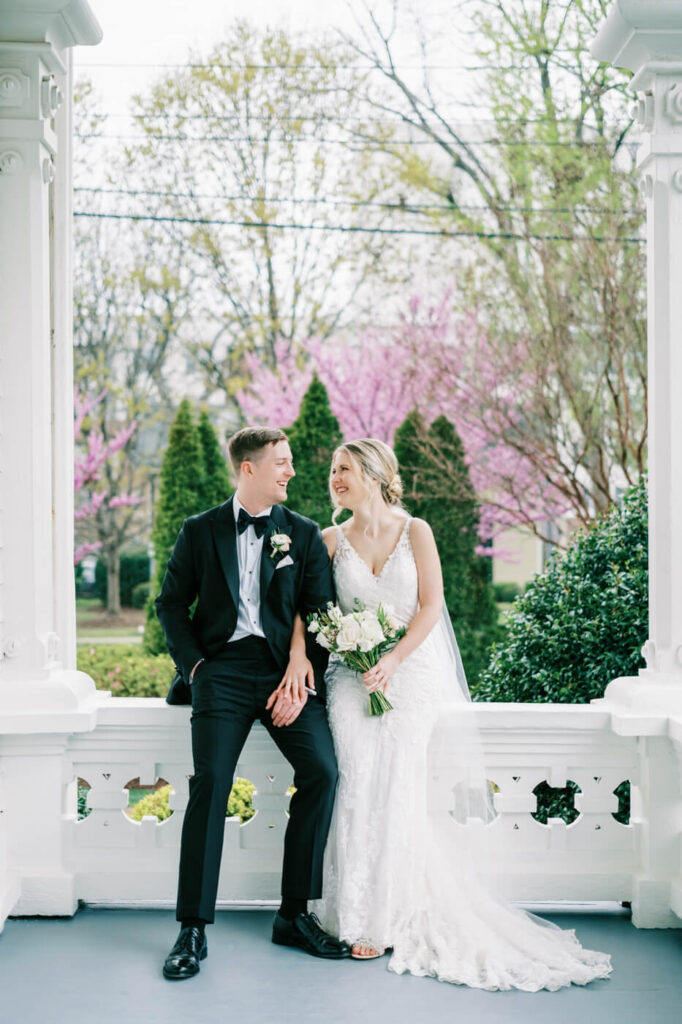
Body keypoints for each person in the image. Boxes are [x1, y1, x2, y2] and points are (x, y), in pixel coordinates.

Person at [311, 438, 613, 991]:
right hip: (351, 677)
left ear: (375, 474)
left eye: (345, 468)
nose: (335, 477)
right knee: (354, 778)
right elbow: (316, 612)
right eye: (333, 470)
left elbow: (430, 607)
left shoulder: (416, 531)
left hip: (412, 675)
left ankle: (392, 915)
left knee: (399, 780)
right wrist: (353, 654)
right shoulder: (330, 540)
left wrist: (394, 661)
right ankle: (349, 914)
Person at [155, 426, 350, 981]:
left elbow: (320, 610)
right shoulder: (200, 530)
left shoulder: (304, 534)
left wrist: (299, 666)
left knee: (322, 772)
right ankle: (192, 927)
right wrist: (196, 667)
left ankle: (293, 915)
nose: (291, 471)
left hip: (285, 673)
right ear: (249, 469)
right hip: (220, 674)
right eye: (282, 462)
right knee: (211, 781)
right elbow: (170, 604)